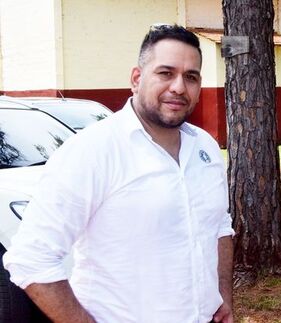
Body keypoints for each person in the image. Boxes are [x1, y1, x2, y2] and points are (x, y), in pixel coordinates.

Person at [3, 24, 234, 323]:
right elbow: (30, 259)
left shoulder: (205, 147)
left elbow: (219, 227)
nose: (179, 87)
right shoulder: (92, 151)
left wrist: (223, 296)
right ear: (137, 79)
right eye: (165, 73)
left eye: (191, 77)